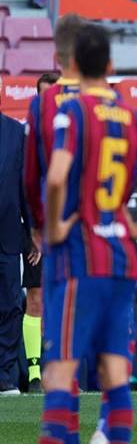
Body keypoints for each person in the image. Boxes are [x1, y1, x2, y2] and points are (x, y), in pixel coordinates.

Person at [38, 23, 137, 444]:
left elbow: (56, 177)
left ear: (72, 64)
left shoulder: (73, 112)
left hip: (80, 256)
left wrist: (54, 226)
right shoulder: (133, 118)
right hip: (121, 260)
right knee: (116, 373)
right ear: (110, 65)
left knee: (61, 372)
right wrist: (136, 228)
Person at [20, 72, 59, 395]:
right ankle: (35, 373)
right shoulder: (26, 138)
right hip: (37, 231)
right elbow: (23, 187)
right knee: (35, 297)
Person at [0, 85, 34, 395]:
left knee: (11, 305)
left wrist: (33, 230)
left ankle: (5, 376)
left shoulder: (15, 132)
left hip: (8, 236)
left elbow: (25, 189)